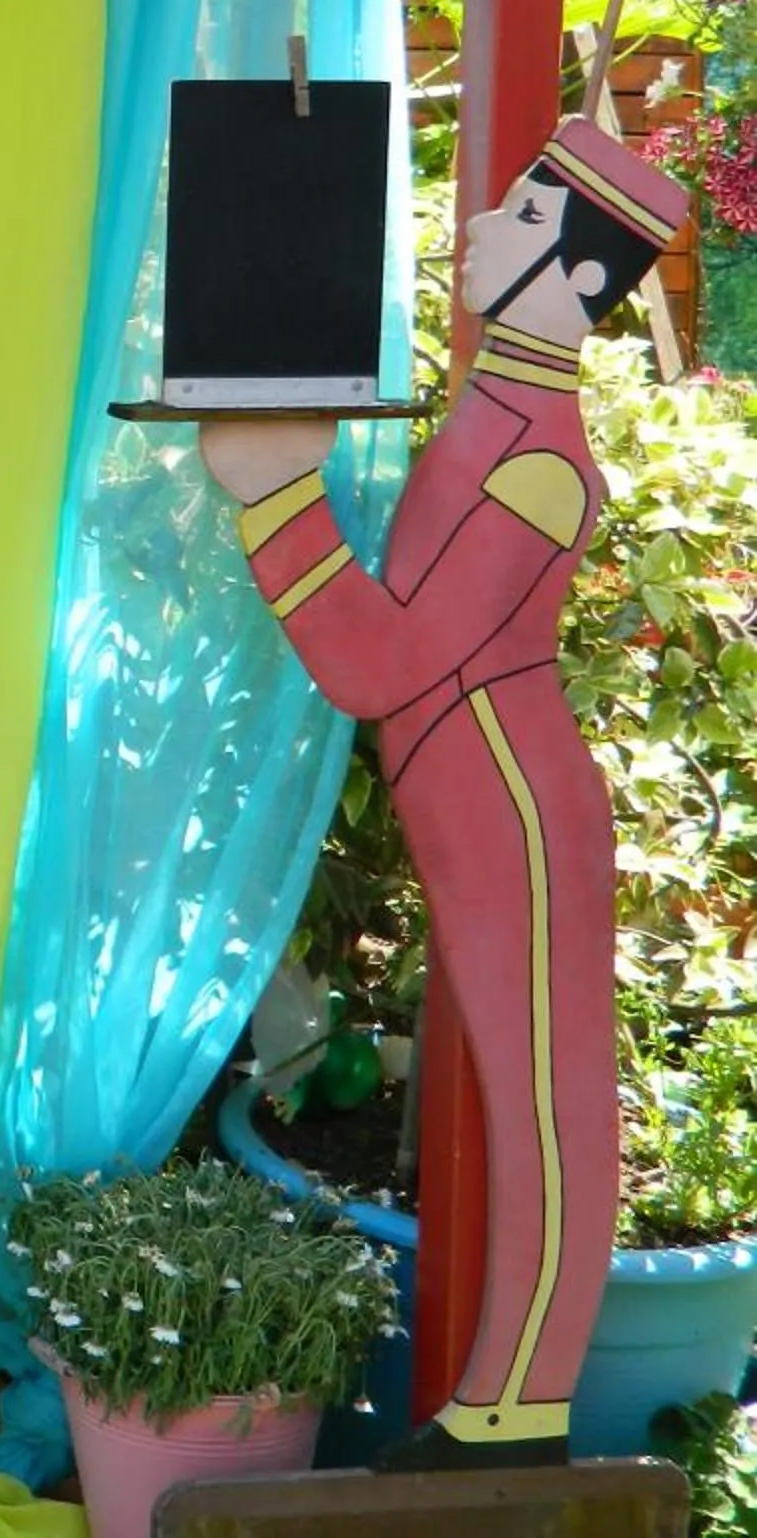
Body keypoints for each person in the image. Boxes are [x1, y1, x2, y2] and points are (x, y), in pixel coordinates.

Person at [198, 116, 686, 1471]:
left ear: (578, 283)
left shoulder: (533, 460)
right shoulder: (494, 414)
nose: (480, 228)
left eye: (524, 220)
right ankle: (505, 1401)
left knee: (548, 1108)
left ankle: (520, 1409)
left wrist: (275, 501)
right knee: (537, 1098)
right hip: (477, 801)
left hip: (511, 809)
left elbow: (382, 662)